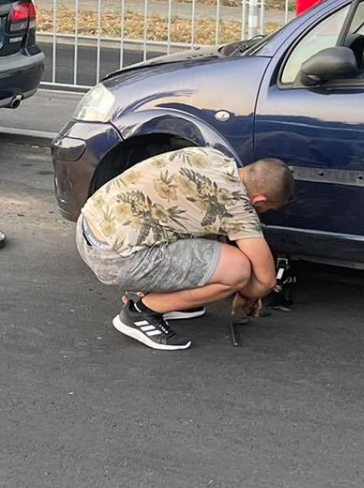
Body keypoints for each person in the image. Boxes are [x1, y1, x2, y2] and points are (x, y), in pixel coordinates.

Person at [75, 146, 296, 351]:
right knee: (238, 269)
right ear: (259, 199)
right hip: (114, 258)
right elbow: (266, 279)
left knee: (216, 248)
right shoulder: (237, 205)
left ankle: (175, 301)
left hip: (88, 225)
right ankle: (141, 313)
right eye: (266, 208)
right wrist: (247, 295)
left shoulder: (214, 157)